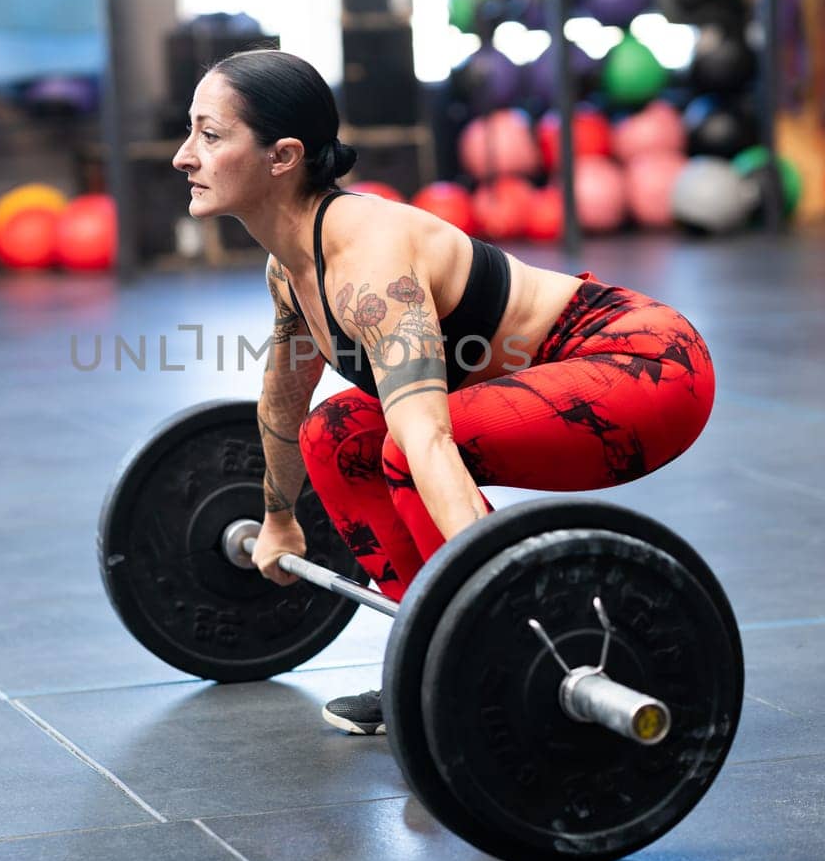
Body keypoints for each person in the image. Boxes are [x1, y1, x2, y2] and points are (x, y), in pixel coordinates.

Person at [172, 50, 715, 735]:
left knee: (404, 448)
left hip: (646, 368)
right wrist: (280, 518)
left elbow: (426, 439)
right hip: (554, 377)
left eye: (210, 135)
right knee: (334, 436)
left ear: (282, 156)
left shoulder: (368, 264)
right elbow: (284, 404)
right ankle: (432, 656)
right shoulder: (291, 268)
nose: (184, 157)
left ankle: (502, 650)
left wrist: (507, 607)